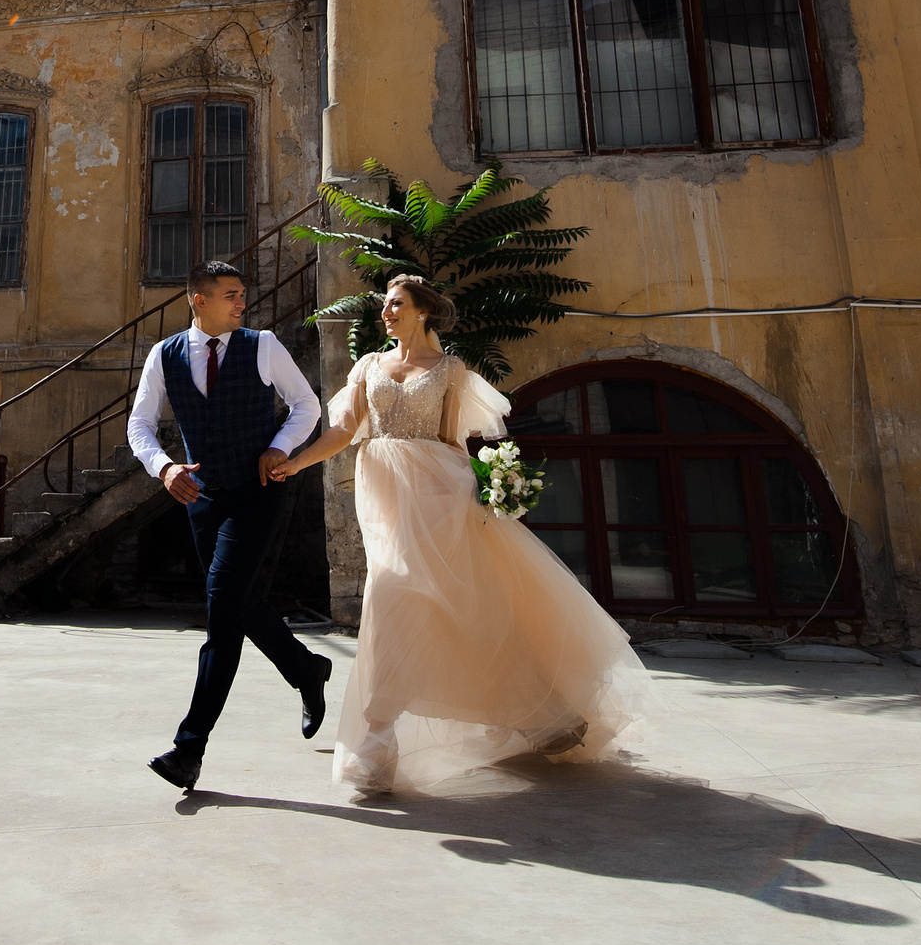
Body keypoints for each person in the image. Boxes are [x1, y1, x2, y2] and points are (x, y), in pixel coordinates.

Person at [268, 275, 649, 796]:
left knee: (467, 607)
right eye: (385, 305)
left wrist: (488, 491)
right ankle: (376, 744)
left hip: (440, 497)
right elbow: (342, 432)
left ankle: (542, 713)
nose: (386, 313)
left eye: (396, 304)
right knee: (391, 595)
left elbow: (452, 442)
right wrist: (295, 463)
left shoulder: (451, 369)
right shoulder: (368, 365)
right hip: (386, 501)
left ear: (422, 311)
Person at [127, 260, 332, 793]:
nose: (242, 302)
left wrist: (280, 447)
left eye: (242, 294)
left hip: (258, 491)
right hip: (201, 497)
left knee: (222, 609)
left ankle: (188, 749)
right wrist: (164, 468)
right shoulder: (164, 354)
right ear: (198, 300)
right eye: (231, 295)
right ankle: (306, 670)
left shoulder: (262, 345)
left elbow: (306, 406)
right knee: (238, 600)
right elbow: (140, 424)